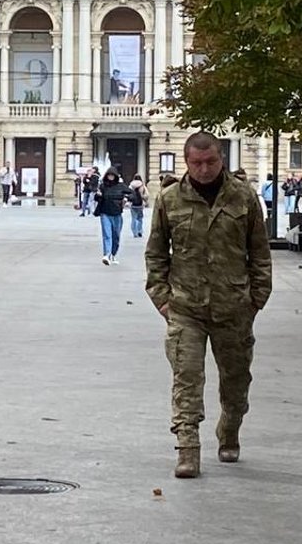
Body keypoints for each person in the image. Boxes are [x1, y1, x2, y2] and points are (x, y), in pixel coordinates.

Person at [145, 132, 272, 479]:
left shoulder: (243, 197)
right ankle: (188, 449)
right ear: (186, 162)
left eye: (211, 162)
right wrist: (162, 300)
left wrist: (256, 299)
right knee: (186, 379)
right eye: (196, 163)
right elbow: (156, 254)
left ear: (222, 159)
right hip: (186, 308)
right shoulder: (170, 198)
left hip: (234, 308)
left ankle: (229, 431)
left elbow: (259, 253)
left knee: (236, 382)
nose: (204, 169)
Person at [94, 167, 130, 265]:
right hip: (105, 213)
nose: (111, 177)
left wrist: (126, 198)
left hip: (117, 214)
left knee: (116, 236)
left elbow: (132, 194)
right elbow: (96, 198)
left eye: (112, 175)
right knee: (107, 235)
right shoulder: (102, 186)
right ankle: (106, 255)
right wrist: (98, 195)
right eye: (109, 175)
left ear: (115, 176)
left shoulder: (121, 186)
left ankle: (113, 254)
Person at [129, 174, 148, 238]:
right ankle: (139, 231)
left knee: (133, 218)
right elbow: (147, 195)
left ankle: (135, 232)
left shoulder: (131, 185)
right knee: (140, 218)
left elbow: (128, 194)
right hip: (140, 204)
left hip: (133, 204)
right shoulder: (142, 185)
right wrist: (144, 199)